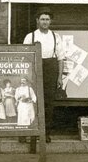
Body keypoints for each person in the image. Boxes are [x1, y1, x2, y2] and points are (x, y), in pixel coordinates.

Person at [22, 10, 64, 143]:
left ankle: (45, 133)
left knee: (48, 102)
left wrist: (59, 77)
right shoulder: (30, 36)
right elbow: (25, 57)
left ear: (50, 21)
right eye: (42, 19)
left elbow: (60, 58)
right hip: (34, 69)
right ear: (37, 21)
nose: (45, 22)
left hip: (51, 68)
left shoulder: (56, 36)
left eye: (47, 19)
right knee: (32, 101)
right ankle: (30, 132)